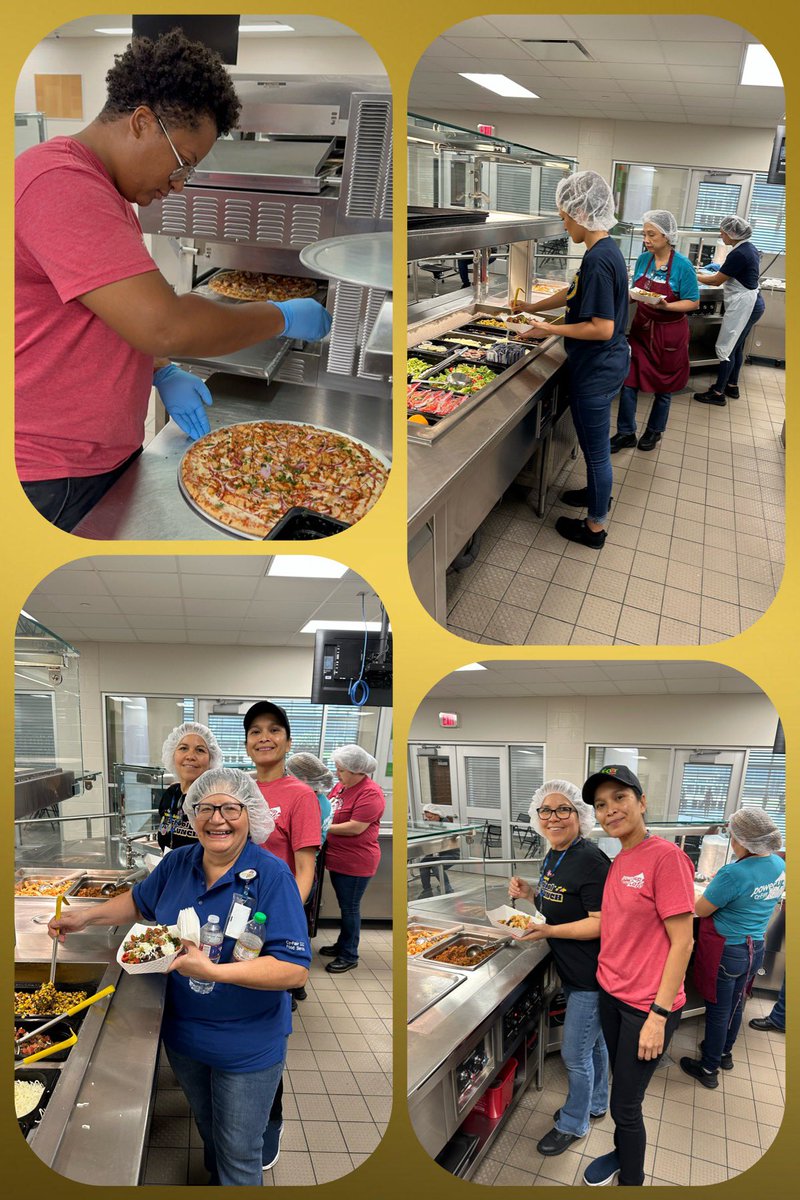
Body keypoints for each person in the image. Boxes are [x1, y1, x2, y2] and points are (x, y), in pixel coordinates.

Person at [15, 30, 332, 531]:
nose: (178, 184)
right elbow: (163, 324)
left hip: (99, 455)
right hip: (53, 474)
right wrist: (282, 316)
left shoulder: (106, 189)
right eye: (183, 163)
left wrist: (160, 370)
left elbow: (114, 311)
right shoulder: (60, 185)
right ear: (142, 123)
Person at [48, 767, 310, 1187]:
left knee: (240, 1154)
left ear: (251, 814)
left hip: (247, 1044)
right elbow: (138, 903)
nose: (217, 818)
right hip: (183, 1037)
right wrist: (85, 918)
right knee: (210, 1134)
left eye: (230, 808)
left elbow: (293, 969)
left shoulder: (272, 876)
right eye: (206, 807)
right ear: (193, 812)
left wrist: (213, 971)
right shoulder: (178, 862)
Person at [580, 765, 695, 1188]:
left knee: (626, 1104)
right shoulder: (620, 858)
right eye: (601, 804)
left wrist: (658, 1016)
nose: (611, 810)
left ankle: (632, 1179)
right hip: (613, 996)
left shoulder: (666, 858)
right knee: (621, 1092)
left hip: (646, 1007)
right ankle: (621, 1149)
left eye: (620, 798)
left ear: (642, 801)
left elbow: (683, 943)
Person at [513, 171, 630, 550]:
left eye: (564, 218)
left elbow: (601, 328)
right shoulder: (604, 250)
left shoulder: (598, 260)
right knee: (594, 450)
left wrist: (548, 331)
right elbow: (573, 293)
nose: (564, 226)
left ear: (581, 212)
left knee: (597, 454)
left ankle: (595, 528)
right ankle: (595, 495)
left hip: (597, 368)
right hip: (607, 364)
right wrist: (533, 307)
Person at [508, 780, 611, 1157]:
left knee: (575, 1055)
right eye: (546, 811)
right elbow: (559, 898)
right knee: (593, 1042)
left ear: (580, 816)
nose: (553, 818)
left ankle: (574, 1123)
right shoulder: (555, 852)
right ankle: (597, 1102)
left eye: (563, 810)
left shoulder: (591, 859)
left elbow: (601, 922)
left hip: (590, 975)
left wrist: (549, 930)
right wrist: (530, 894)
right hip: (571, 968)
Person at [243, 701, 321, 1168]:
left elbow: (306, 867)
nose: (264, 737)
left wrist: (283, 922)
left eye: (274, 730)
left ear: (288, 741)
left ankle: (271, 1118)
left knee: (268, 1026)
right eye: (255, 730)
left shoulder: (299, 796)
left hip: (270, 925)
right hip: (228, 922)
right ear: (246, 741)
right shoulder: (237, 788)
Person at [680, 810, 785, 1087]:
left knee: (718, 1010)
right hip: (755, 949)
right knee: (737, 1003)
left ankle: (708, 1069)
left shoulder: (734, 872)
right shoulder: (777, 864)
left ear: (744, 840)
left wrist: (712, 887)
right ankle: (725, 1053)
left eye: (733, 835)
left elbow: (701, 909)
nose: (732, 841)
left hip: (727, 951)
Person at [611, 210, 699, 453]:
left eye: (651, 234)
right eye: (644, 234)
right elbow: (634, 290)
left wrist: (666, 305)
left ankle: (654, 430)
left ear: (667, 236)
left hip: (669, 334)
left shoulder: (683, 266)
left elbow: (693, 302)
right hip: (641, 329)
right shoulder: (643, 260)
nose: (646, 240)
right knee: (629, 382)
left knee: (664, 386)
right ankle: (626, 432)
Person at [320, 745, 386, 972]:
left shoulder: (370, 792)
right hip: (337, 859)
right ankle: (342, 944)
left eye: (342, 770)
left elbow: (356, 827)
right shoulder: (342, 786)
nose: (337, 774)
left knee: (350, 908)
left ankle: (349, 955)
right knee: (344, 906)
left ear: (357, 770)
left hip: (356, 862)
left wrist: (323, 829)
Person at [693, 215, 765, 406]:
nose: (720, 234)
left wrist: (694, 275)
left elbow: (717, 280)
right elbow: (732, 271)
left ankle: (718, 393)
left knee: (727, 347)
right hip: (754, 303)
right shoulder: (747, 247)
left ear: (733, 234)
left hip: (746, 305)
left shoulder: (739, 253)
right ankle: (731, 385)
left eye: (723, 232)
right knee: (738, 345)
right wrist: (718, 268)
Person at [157, 721, 222, 851]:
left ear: (211, 759)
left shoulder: (216, 801)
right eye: (183, 748)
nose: (190, 756)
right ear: (172, 754)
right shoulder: (170, 794)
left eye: (200, 750)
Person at [286, 751, 334, 842]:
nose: (286, 780)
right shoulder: (322, 800)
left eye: (289, 775)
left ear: (303, 779)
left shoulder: (311, 805)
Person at [417, 804, 460, 898]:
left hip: (451, 854)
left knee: (437, 866)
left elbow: (455, 834)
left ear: (437, 815)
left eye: (430, 817)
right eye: (427, 818)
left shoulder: (447, 824)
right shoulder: (432, 824)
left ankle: (448, 890)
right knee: (422, 865)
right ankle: (427, 891)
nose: (428, 819)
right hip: (436, 853)